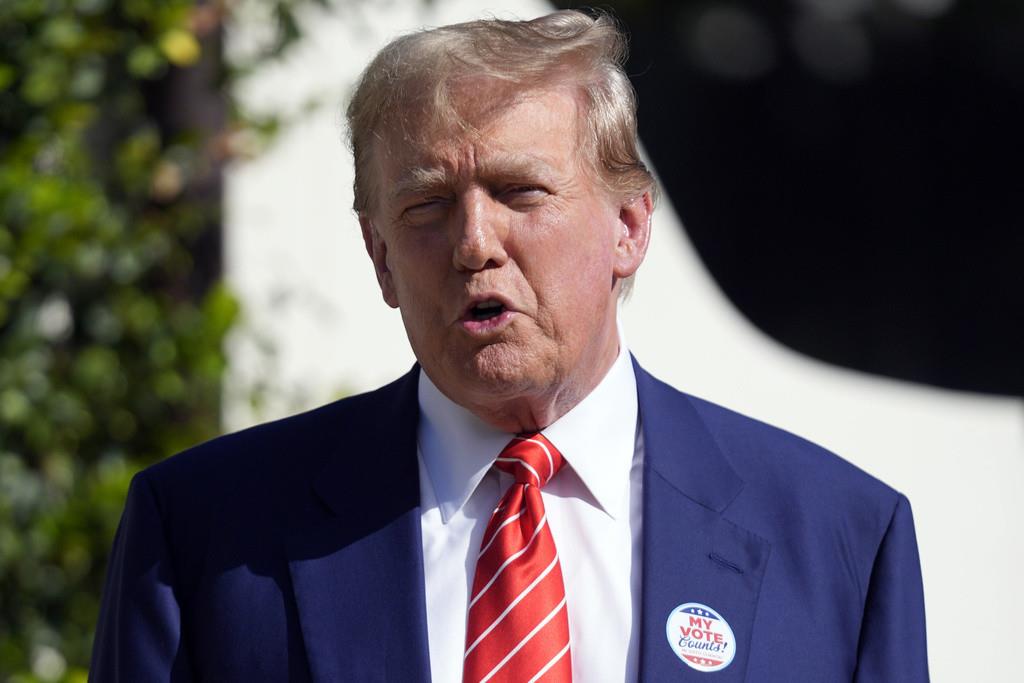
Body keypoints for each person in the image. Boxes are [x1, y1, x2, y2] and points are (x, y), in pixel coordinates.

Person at [90, 10, 928, 682]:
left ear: (629, 228)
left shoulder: (838, 536)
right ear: (379, 255)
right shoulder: (206, 531)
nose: (473, 243)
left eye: (520, 191)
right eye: (425, 206)